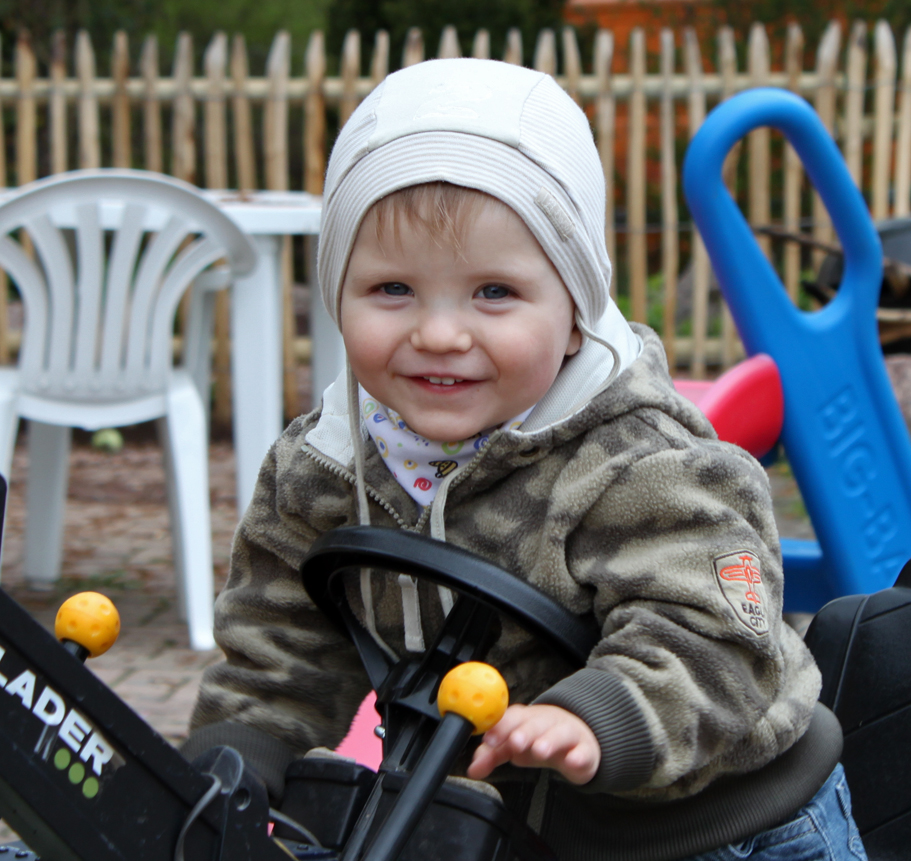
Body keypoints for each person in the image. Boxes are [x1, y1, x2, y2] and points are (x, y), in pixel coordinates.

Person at [184, 58, 864, 860]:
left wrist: (595, 714)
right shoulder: (324, 468)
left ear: (574, 313)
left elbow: (715, 634)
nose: (440, 333)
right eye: (393, 289)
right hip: (510, 826)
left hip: (729, 823)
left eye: (494, 293)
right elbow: (280, 641)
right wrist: (228, 763)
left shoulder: (641, 458)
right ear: (337, 295)